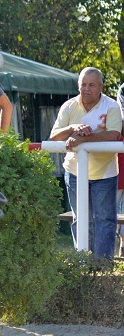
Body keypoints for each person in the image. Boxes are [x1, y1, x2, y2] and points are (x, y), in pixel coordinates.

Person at [49, 67, 122, 260]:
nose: (86, 89)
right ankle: (83, 262)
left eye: (91, 85)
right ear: (78, 86)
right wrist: (72, 128)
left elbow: (114, 134)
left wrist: (83, 138)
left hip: (105, 173)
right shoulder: (69, 106)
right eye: (83, 84)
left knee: (105, 219)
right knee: (80, 219)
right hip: (74, 171)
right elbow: (54, 137)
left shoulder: (112, 106)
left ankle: (103, 265)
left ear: (101, 87)